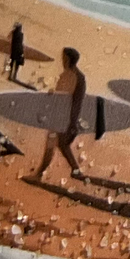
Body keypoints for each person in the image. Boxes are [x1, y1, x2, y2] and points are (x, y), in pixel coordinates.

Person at [31, 48, 86, 189]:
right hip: (64, 116)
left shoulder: (70, 76)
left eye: (64, 58)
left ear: (68, 59)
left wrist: (70, 121)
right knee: (62, 144)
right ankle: (76, 170)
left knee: (51, 145)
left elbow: (66, 98)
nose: (62, 60)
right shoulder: (78, 76)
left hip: (61, 117)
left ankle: (38, 175)